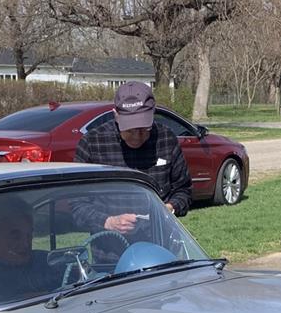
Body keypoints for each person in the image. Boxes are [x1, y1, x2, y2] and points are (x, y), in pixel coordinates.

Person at [72, 81, 192, 234]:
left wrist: (170, 208)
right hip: (109, 249)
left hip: (161, 242)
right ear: (116, 115)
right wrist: (107, 222)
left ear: (153, 114)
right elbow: (77, 203)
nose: (137, 136)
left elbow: (183, 190)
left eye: (143, 129)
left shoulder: (166, 139)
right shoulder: (92, 143)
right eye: (129, 129)